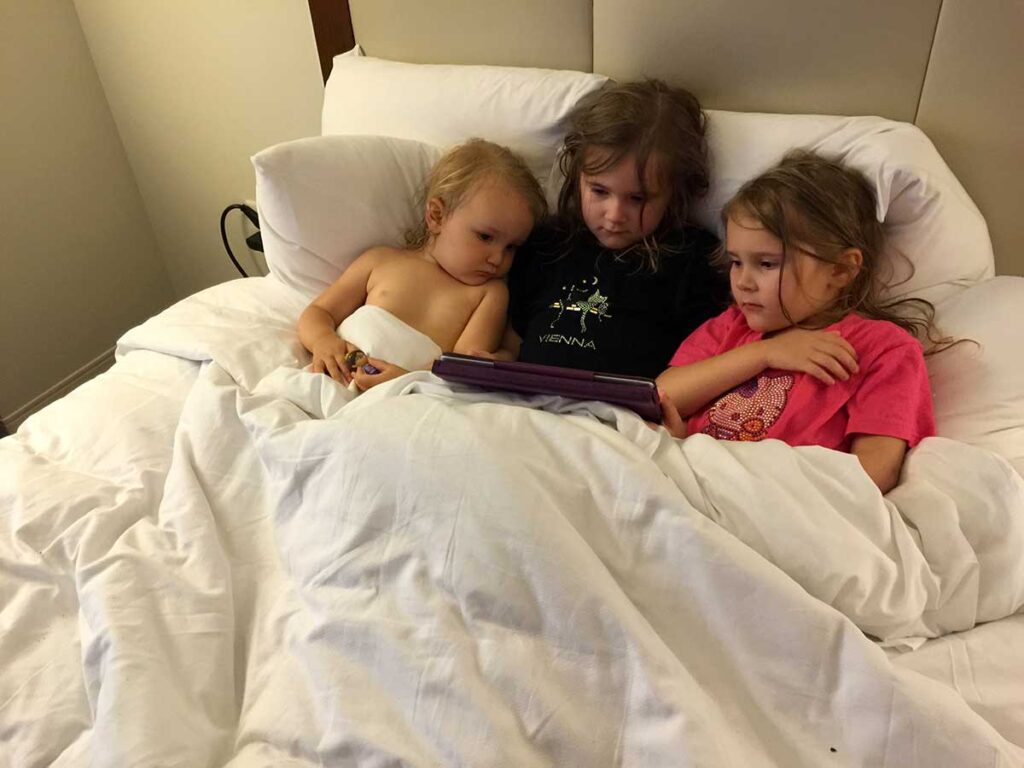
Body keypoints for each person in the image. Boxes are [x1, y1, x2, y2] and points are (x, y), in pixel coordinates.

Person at [656, 151, 944, 493]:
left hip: (788, 500)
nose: (743, 282)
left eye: (766, 264)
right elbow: (661, 395)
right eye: (736, 262)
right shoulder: (730, 328)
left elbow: (874, 474)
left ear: (840, 269)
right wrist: (765, 354)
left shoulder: (883, 349)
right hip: (696, 486)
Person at [500, 79, 728, 379]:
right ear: (577, 175)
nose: (615, 214)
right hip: (526, 405)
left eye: (638, 198)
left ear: (674, 192)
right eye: (599, 191)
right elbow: (513, 342)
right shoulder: (545, 244)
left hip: (619, 418)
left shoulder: (694, 261)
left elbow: (698, 367)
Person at [298, 138, 547, 392]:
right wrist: (323, 340)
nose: (498, 258)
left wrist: (407, 378)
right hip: (333, 378)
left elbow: (459, 369)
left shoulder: (488, 295)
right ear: (436, 216)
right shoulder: (381, 261)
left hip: (406, 395)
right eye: (485, 237)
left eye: (511, 247)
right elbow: (319, 312)